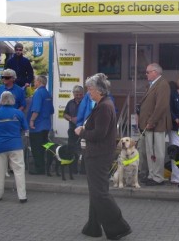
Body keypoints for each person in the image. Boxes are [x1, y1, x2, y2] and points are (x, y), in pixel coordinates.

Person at [74, 73, 132, 240]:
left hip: (98, 155)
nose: (88, 93)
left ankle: (119, 227)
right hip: (97, 154)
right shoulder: (102, 104)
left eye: (90, 89)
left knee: (100, 193)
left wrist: (82, 131)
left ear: (98, 90)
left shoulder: (104, 106)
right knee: (96, 192)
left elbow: (100, 133)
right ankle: (93, 227)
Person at [0, 91, 29, 203]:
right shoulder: (18, 113)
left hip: (0, 145)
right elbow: (25, 127)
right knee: (19, 171)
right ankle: (22, 196)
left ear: (1, 100)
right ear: (12, 100)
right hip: (16, 145)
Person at [137, 63, 172, 186]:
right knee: (150, 151)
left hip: (157, 125)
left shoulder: (162, 84)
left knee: (158, 152)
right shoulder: (153, 84)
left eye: (148, 72)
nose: (146, 74)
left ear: (155, 72)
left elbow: (161, 106)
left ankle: (157, 177)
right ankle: (152, 175)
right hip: (149, 125)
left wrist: (152, 121)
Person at [27, 75, 54, 175]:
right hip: (46, 125)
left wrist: (32, 120)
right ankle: (45, 167)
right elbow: (52, 110)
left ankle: (39, 169)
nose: (34, 83)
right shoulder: (47, 93)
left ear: (39, 81)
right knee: (43, 147)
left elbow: (36, 109)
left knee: (36, 148)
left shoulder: (38, 93)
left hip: (37, 125)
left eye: (35, 81)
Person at [63, 85, 85, 174]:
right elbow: (64, 114)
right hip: (72, 129)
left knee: (84, 150)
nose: (79, 97)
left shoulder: (86, 102)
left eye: (80, 95)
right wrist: (71, 118)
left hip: (83, 130)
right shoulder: (70, 103)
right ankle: (73, 169)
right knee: (72, 149)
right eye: (77, 95)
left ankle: (84, 170)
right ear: (73, 94)